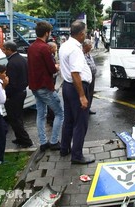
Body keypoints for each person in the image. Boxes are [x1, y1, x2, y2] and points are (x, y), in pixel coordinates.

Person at [59, 20, 95, 164]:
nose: (85, 35)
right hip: (76, 88)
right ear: (81, 34)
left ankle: (64, 148)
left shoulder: (65, 45)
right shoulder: (74, 49)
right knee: (80, 123)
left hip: (68, 86)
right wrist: (82, 96)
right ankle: (77, 155)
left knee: (68, 120)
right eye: (85, 32)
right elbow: (75, 74)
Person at [27, 21, 64, 152]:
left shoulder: (31, 47)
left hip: (35, 87)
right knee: (60, 113)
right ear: (47, 33)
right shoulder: (44, 48)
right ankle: (54, 141)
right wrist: (57, 67)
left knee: (41, 114)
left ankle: (43, 142)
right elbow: (51, 69)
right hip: (45, 87)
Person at [2, 41, 33, 148]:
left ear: (10, 50)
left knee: (15, 119)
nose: (3, 51)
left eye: (4, 49)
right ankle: (20, 138)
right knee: (17, 117)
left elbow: (12, 82)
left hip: (14, 95)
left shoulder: (12, 63)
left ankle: (25, 140)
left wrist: (7, 95)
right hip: (21, 91)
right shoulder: (22, 59)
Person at [82, 39, 97, 115]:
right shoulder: (81, 54)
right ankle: (85, 109)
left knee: (91, 93)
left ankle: (88, 108)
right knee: (86, 93)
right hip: (86, 78)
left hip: (92, 76)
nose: (91, 46)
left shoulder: (89, 54)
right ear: (85, 46)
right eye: (90, 45)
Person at [46, 41, 59, 126]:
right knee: (51, 99)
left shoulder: (52, 56)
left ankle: (50, 117)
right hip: (50, 80)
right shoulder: (49, 57)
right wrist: (56, 67)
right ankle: (51, 118)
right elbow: (52, 68)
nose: (56, 49)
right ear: (51, 48)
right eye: (55, 47)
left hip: (52, 79)